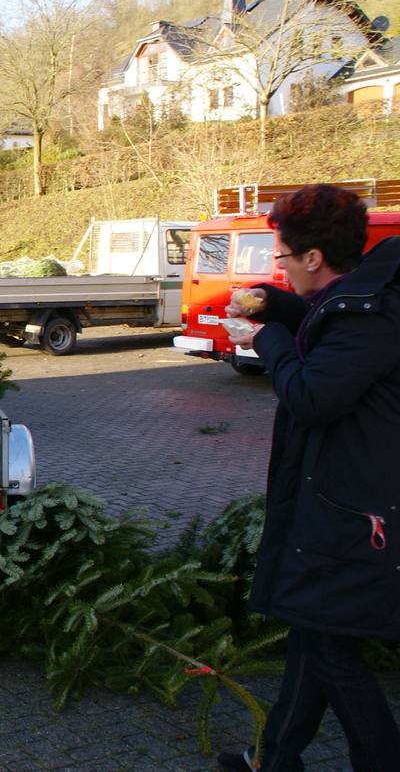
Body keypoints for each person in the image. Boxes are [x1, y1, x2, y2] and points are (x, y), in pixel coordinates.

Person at [218, 184, 400, 771]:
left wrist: (264, 339)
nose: (281, 266)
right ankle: (274, 759)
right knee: (311, 632)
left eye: (284, 258)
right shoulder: (357, 300)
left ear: (314, 258)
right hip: (336, 502)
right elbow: (326, 321)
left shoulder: (371, 319)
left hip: (354, 513)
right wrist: (274, 304)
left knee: (330, 653)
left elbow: (312, 396)